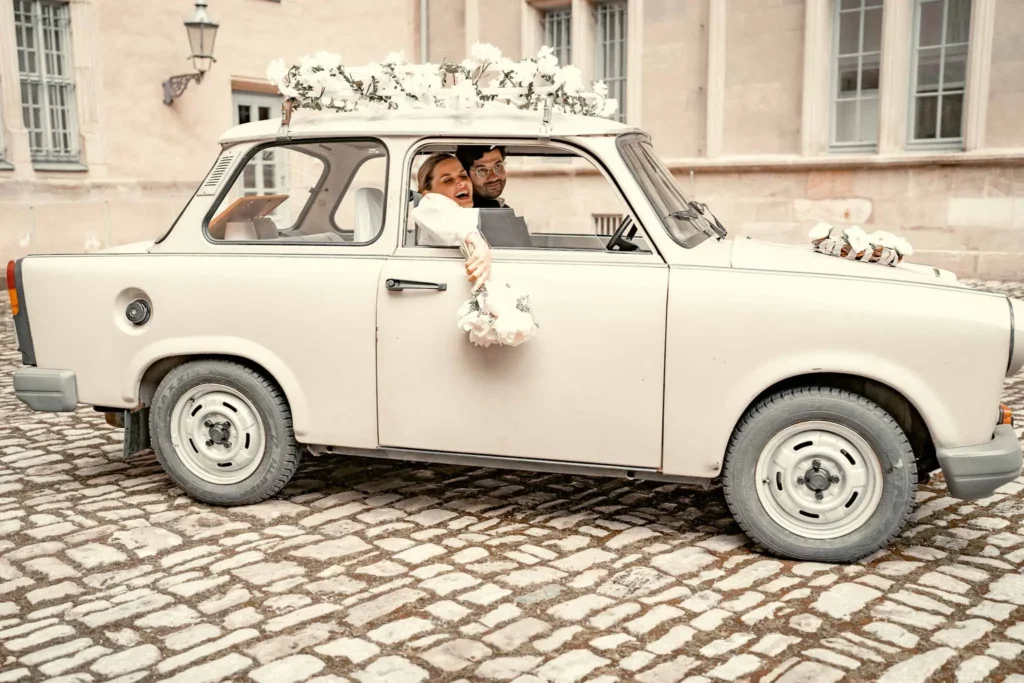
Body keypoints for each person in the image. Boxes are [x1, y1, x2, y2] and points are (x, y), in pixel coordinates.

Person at [411, 152, 492, 289]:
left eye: (463, 176)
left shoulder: (462, 214)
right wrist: (478, 243)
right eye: (448, 180)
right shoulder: (429, 208)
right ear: (428, 193)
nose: (461, 183)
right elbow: (430, 210)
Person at [456, 145, 513, 210]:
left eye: (498, 166)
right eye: (482, 170)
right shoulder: (466, 212)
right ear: (466, 175)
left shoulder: (502, 209)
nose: (493, 177)